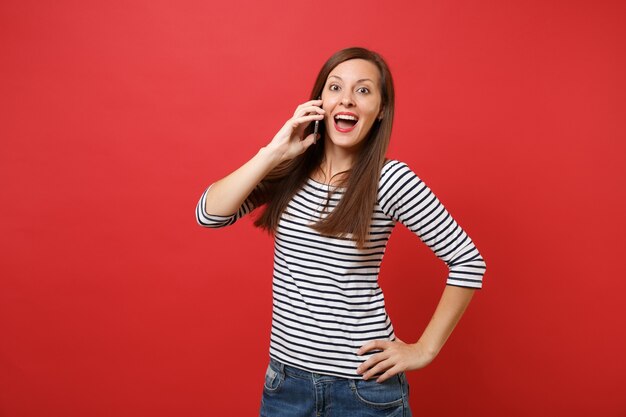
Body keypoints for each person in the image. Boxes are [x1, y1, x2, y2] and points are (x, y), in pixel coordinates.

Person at [196, 47, 486, 417]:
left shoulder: (390, 180)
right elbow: (209, 214)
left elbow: (467, 261)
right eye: (335, 88)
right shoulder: (290, 169)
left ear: (381, 110)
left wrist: (424, 349)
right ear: (320, 101)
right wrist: (273, 152)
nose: (346, 99)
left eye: (363, 90)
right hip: (285, 385)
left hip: (363, 390)